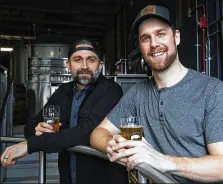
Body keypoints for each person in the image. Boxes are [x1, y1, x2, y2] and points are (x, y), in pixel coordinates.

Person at [90, 5, 223, 183]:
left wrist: (162, 161)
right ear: (141, 47)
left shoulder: (212, 90)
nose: (154, 44)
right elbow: (98, 133)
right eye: (145, 38)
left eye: (161, 34)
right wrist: (112, 145)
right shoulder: (137, 94)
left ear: (176, 37)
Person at [1, 39, 128, 184]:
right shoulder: (63, 91)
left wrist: (30, 145)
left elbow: (86, 132)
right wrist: (37, 129)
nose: (84, 66)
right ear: (68, 65)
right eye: (77, 60)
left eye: (91, 60)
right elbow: (31, 125)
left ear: (100, 65)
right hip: (68, 177)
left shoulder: (110, 91)